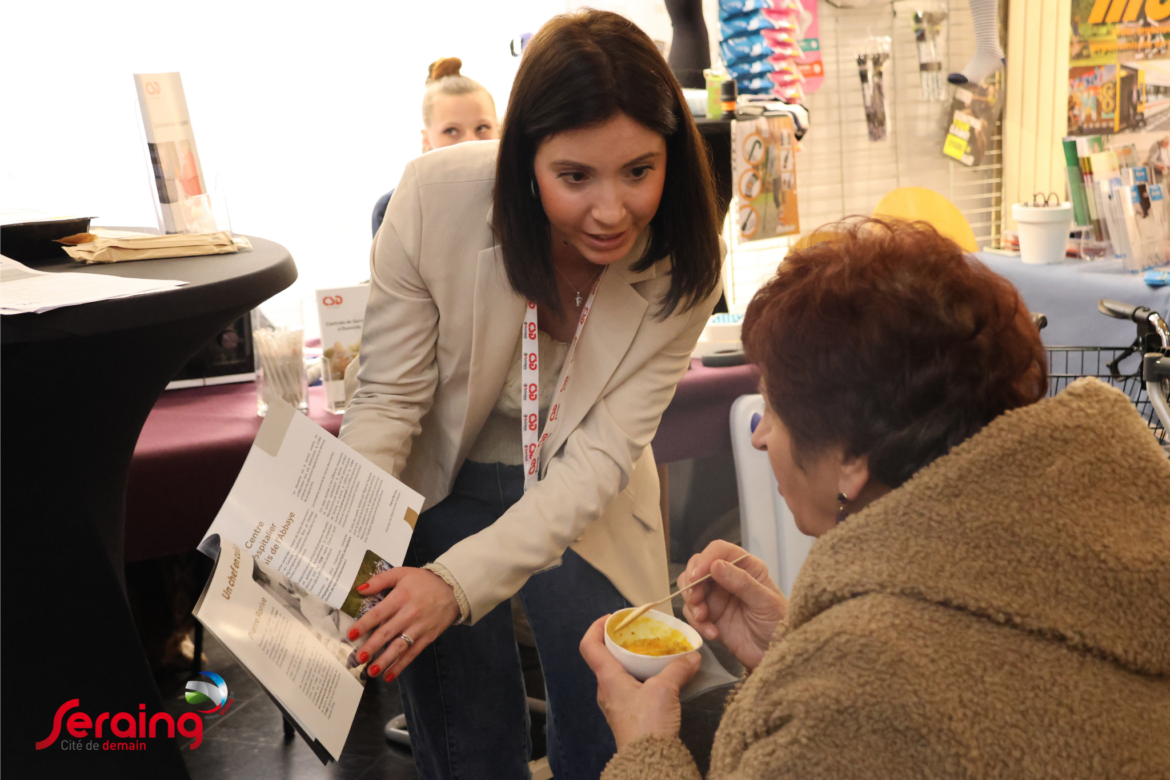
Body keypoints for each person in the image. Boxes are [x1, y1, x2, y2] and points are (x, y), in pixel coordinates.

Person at [581, 218, 1170, 779]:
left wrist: (645, 745)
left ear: (851, 461)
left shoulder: (857, 691)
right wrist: (794, 646)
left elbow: (882, 707)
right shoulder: (1093, 555)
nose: (760, 435)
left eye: (775, 411)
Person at [340, 10, 723, 780]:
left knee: (606, 716)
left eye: (639, 171)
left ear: (671, 159)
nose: (611, 211)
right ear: (524, 160)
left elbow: (599, 461)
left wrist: (457, 584)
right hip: (443, 475)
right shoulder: (433, 199)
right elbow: (388, 401)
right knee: (463, 729)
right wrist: (341, 533)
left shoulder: (685, 267)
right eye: (575, 176)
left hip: (587, 490)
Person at [370, 56, 500, 237]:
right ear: (426, 140)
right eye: (452, 131)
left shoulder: (526, 198)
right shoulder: (392, 209)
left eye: (482, 127)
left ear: (499, 130)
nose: (471, 141)